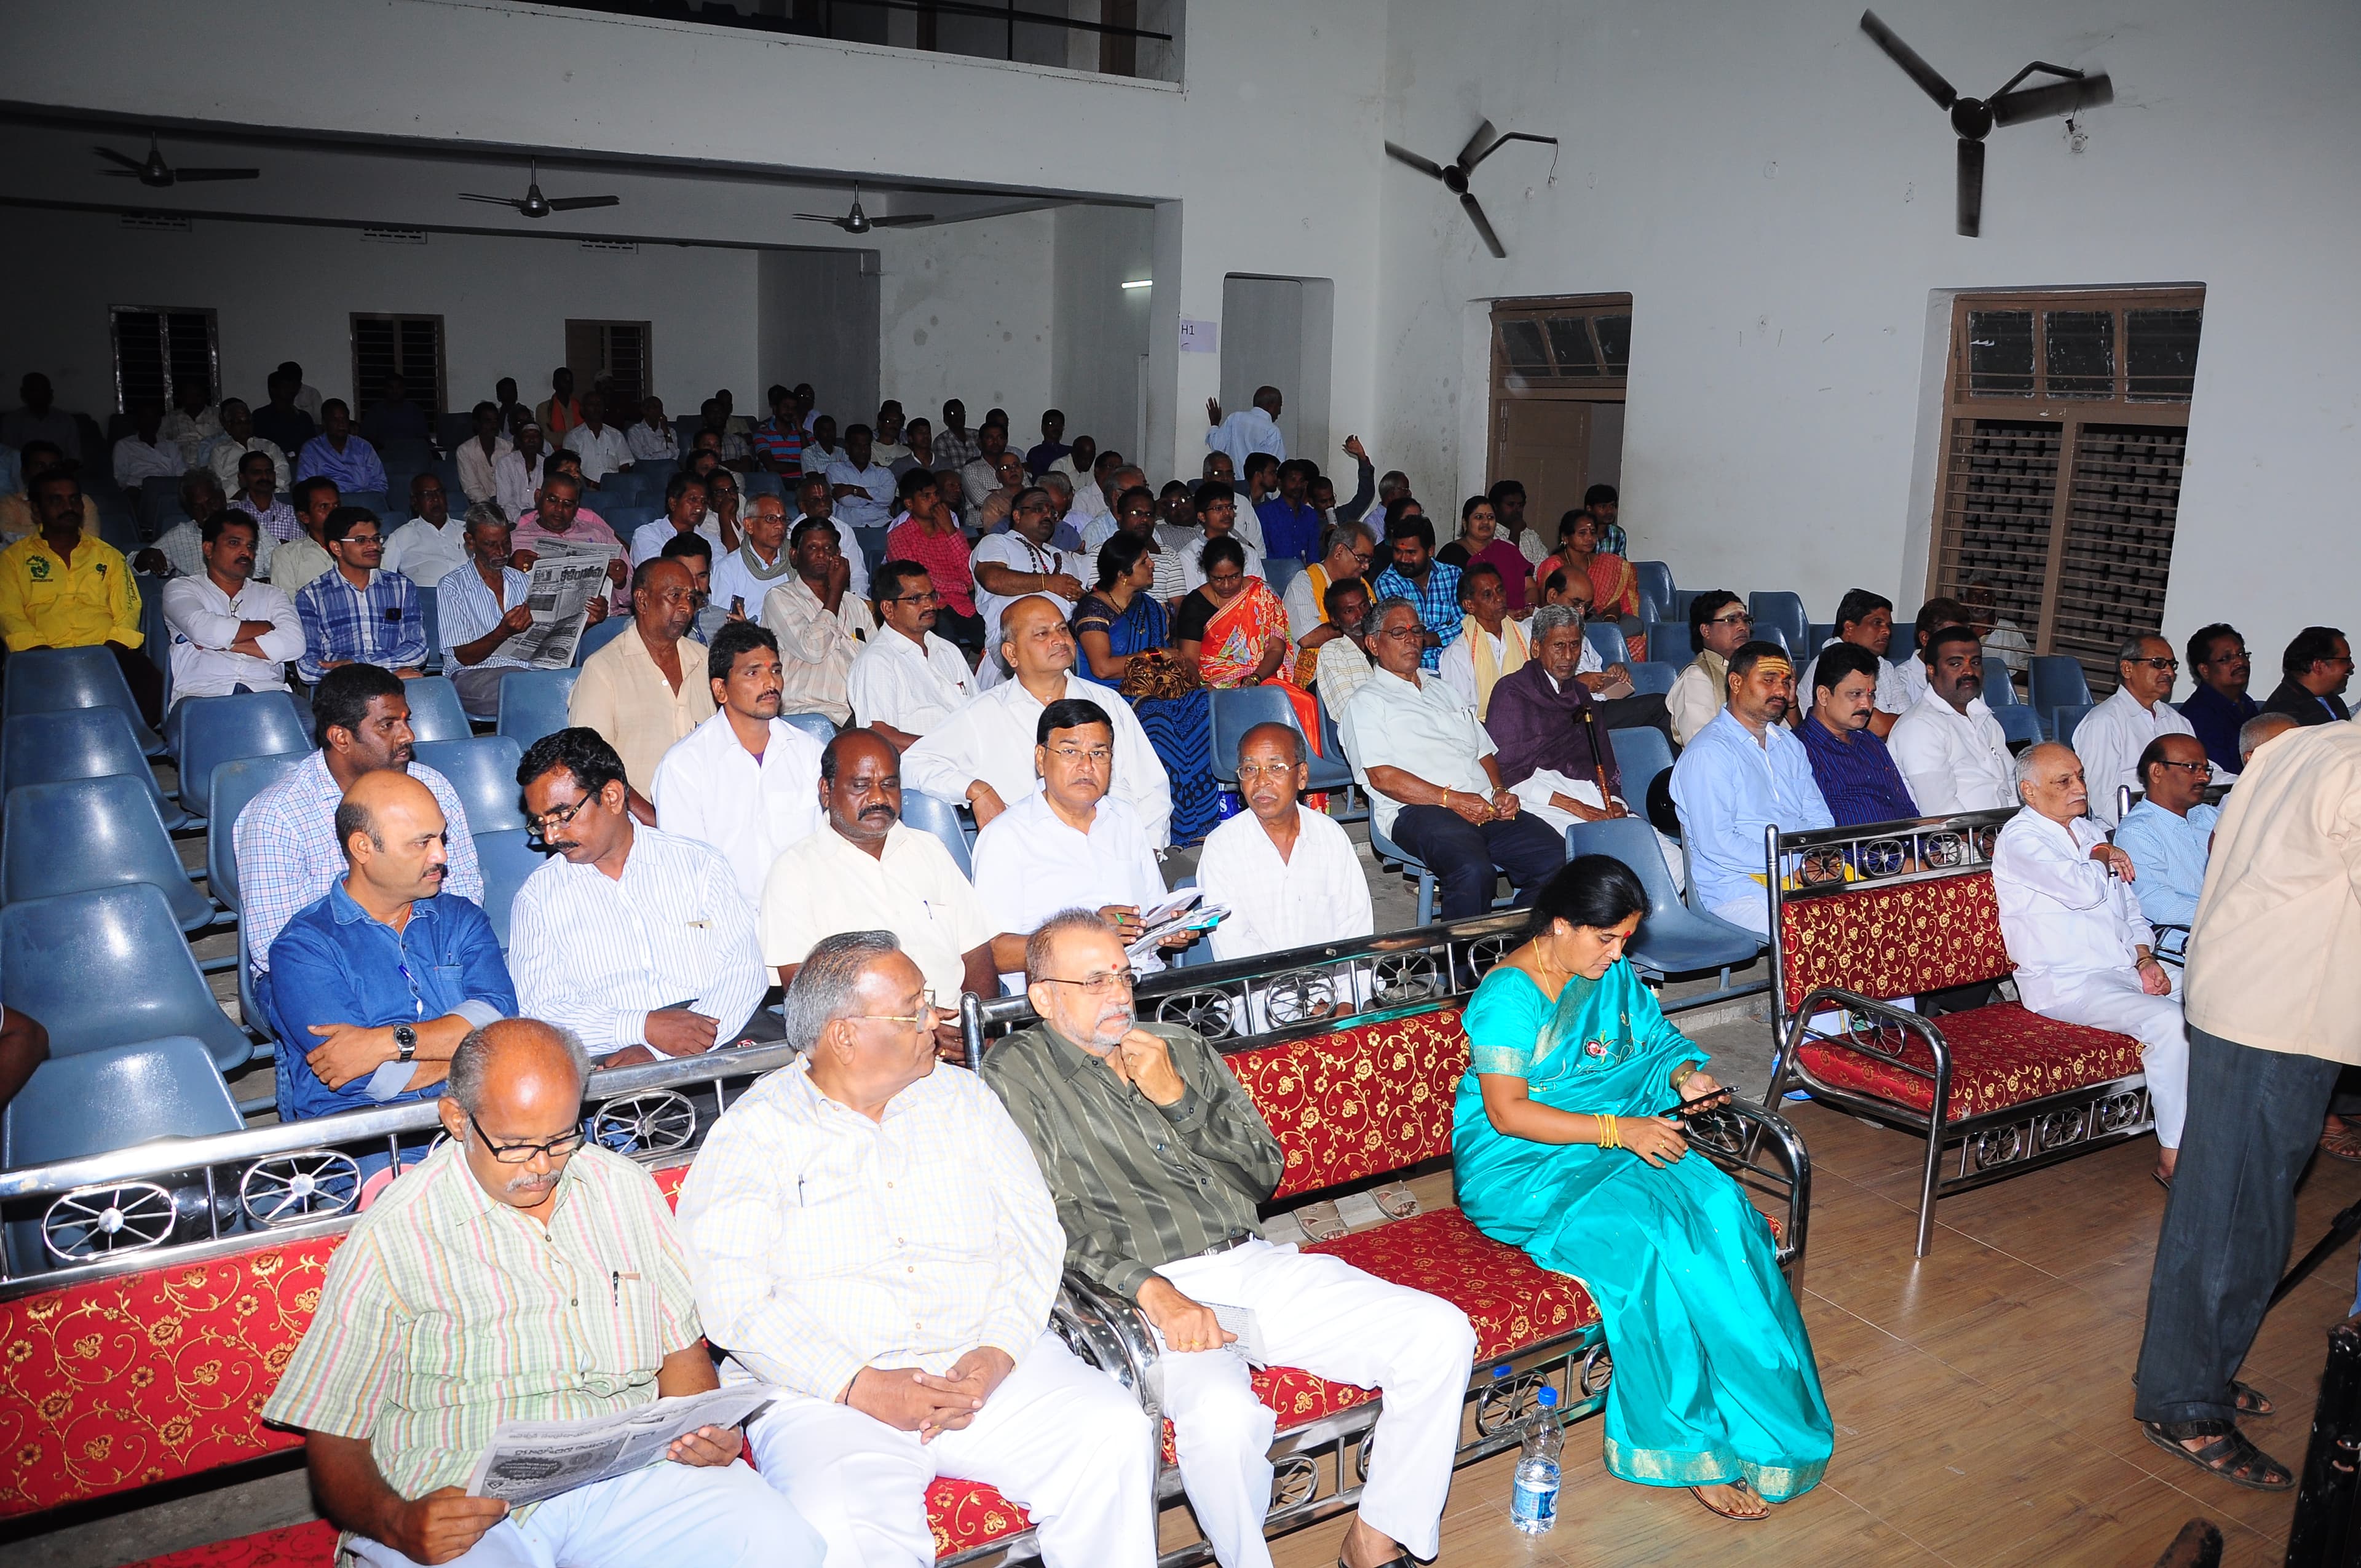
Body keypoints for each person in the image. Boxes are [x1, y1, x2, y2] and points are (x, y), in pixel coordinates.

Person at [984, 909, 1477, 1568]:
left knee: (1439, 1334)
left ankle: (1377, 1535)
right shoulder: (1017, 1073)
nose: (1120, 995)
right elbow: (1044, 1219)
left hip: (1250, 1266)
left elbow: (1263, 1172)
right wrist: (1149, 1289)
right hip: (1140, 1295)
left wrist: (1177, 1098)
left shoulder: (1178, 1047)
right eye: (1095, 981)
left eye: (1125, 977)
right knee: (1223, 1422)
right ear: (1044, 998)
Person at [262, 1016, 821, 1568]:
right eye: (515, 1145)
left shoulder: (620, 1188)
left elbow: (680, 1351)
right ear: (457, 1119)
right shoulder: (396, 1230)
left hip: (628, 1475)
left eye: (560, 1139)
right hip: (462, 1499)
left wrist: (702, 1430)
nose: (541, 1167)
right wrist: (396, 1523)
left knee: (778, 1543)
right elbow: (333, 1431)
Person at [676, 932, 1150, 1568]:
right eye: (914, 1010)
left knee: (1111, 1434)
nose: (935, 1021)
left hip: (983, 1368)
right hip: (829, 1398)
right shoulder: (754, 1133)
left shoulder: (965, 1100)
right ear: (846, 1037)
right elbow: (731, 1299)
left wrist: (998, 1351)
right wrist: (858, 1385)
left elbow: (1034, 1237)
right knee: (839, 1525)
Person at [1456, 857, 1831, 1518]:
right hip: (1525, 1168)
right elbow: (1508, 1114)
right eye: (1606, 938)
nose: (1617, 953)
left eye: (1625, 938)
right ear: (1561, 924)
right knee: (1648, 1251)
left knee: (1722, 1211)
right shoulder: (1509, 998)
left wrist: (1685, 1076)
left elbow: (1654, 1041)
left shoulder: (1607, 972)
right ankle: (1689, 1447)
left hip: (1616, 1139)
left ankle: (1758, 1425)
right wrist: (1619, 1130)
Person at [2132, 723, 2361, 1490]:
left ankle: (2195, 1370)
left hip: (2243, 995)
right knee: (2231, 1218)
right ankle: (2182, 1402)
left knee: (2245, 1214)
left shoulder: (2304, 742)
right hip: (2278, 1015)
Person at [263, 772, 515, 1125]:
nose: (441, 855)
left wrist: (387, 1043)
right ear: (363, 848)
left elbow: (502, 1023)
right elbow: (362, 1074)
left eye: (441, 837)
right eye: (422, 843)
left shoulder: (462, 919)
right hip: (371, 1135)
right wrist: (477, 1053)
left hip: (477, 1121)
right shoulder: (303, 948)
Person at [510, 728, 769, 1063]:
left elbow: (744, 970)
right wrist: (640, 1028)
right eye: (540, 822)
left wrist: (674, 1046)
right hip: (615, 1055)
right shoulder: (537, 899)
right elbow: (541, 1011)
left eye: (562, 816)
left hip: (723, 1039)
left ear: (612, 797)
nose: (550, 836)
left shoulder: (699, 864)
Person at [1994, 743, 2188, 1185]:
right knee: (2169, 1022)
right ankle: (2174, 1155)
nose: (2079, 787)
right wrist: (2102, 853)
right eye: (2064, 781)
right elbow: (2084, 890)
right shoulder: (2021, 838)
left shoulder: (2087, 830)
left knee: (2220, 997)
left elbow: (2130, 908)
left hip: (2122, 970)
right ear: (2029, 791)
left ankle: (2224, 1130)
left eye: (2080, 776)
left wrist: (2145, 958)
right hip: (2067, 983)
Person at [236, 664, 484, 976]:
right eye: (387, 725)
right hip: (325, 973)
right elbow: (275, 945)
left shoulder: (431, 788)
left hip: (427, 955)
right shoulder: (278, 816)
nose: (408, 735)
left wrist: (420, 954)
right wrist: (386, 957)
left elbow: (464, 889)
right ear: (341, 738)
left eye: (406, 721)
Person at [1342, 598, 1564, 918]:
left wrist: (1500, 791)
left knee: (1557, 858)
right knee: (1472, 871)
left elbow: (1484, 751)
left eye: (1417, 631)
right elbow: (1382, 777)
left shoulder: (1443, 690)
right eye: (1399, 632)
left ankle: (1516, 943)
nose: (1412, 640)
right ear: (1374, 644)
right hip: (1420, 810)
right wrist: (1452, 800)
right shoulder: (1366, 703)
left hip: (1481, 803)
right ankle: (1464, 952)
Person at [906, 595, 1171, 844]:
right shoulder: (984, 713)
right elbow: (912, 764)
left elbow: (1151, 786)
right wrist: (975, 790)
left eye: (1063, 629)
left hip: (1115, 847)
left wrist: (1149, 849)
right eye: (1043, 634)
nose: (1059, 640)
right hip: (1032, 857)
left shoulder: (1106, 702)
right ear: (1012, 654)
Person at [757, 735, 995, 1003]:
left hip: (959, 1023)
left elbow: (977, 952)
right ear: (826, 791)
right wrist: (911, 1023)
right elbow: (805, 993)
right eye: (861, 786)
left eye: (889, 784)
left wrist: (977, 1021)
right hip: (866, 1029)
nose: (879, 797)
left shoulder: (930, 849)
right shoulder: (794, 872)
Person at [970, 699, 1171, 988]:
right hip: (1063, 996)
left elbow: (1153, 910)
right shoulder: (1006, 836)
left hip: (1146, 984)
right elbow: (993, 953)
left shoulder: (1125, 818)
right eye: (1070, 752)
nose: (1086, 766)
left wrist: (1169, 927)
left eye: (1099, 754)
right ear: (1041, 758)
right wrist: (1088, 935)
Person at [651, 620, 826, 905]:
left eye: (775, 671)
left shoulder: (810, 753)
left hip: (804, 913)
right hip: (724, 918)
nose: (771, 683)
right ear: (720, 689)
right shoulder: (684, 766)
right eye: (753, 673)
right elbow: (685, 872)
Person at [1669, 640, 1833, 936]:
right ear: (1736, 683)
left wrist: (1815, 857)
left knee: (1876, 912)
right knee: (1822, 932)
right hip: (1737, 887)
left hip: (1801, 871)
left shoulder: (1789, 745)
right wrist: (1794, 863)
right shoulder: (1709, 753)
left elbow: (1819, 816)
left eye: (1786, 681)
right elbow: (1719, 843)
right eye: (1768, 680)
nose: (1781, 691)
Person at [1072, 532, 1220, 844]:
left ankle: (1204, 820)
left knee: (1202, 704)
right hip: (1112, 695)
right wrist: (1153, 655)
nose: (1152, 565)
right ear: (1123, 574)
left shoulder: (1151, 608)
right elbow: (1102, 667)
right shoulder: (1094, 609)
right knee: (1158, 717)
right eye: (1144, 562)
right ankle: (1177, 825)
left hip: (1155, 690)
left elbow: (1169, 659)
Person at [1195, 722, 1372, 962]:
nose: (1261, 781)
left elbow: (1356, 929)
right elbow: (1234, 948)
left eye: (1276, 768)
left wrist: (1342, 986)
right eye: (1250, 769)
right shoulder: (1223, 848)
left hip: (1334, 982)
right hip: (1259, 984)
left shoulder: (1329, 836)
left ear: (1302, 776)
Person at [0, 466, 161, 726]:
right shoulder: (12, 560)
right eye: (56, 501)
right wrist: (51, 658)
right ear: (37, 510)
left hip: (108, 654)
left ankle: (122, 741)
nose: (69, 507)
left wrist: (101, 657)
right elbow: (9, 616)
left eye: (74, 499)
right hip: (40, 658)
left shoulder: (109, 556)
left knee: (150, 684)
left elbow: (129, 611)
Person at [1482, 604, 1646, 837]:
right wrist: (1578, 808)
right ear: (1536, 647)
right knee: (1598, 844)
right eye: (1559, 646)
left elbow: (1605, 761)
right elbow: (1508, 774)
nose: (1569, 656)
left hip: (1592, 796)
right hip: (1541, 804)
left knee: (1659, 849)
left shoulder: (1580, 695)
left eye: (1575, 645)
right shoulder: (1511, 692)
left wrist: (1615, 802)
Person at [569, 556, 716, 802]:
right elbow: (593, 767)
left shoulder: (705, 660)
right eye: (675, 596)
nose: (686, 608)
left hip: (706, 807)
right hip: (633, 815)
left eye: (691, 598)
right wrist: (653, 819)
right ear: (642, 600)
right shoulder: (603, 668)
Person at [160, 510, 301, 703]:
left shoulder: (272, 595)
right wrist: (266, 627)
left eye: (250, 546)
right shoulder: (181, 589)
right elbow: (203, 629)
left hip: (268, 693)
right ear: (208, 549)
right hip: (204, 695)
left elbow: (294, 644)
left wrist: (222, 644)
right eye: (234, 543)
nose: (246, 553)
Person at [2074, 635, 2212, 828]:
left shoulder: (2177, 721)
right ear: (2127, 669)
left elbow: (2200, 773)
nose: (2169, 672)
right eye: (2159, 663)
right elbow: (2101, 800)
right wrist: (2155, 829)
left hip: (2179, 824)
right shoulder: (2103, 722)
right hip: (2122, 830)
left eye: (2172, 665)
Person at [437, 505, 559, 720]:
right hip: (475, 674)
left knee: (575, 682)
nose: (502, 552)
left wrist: (584, 622)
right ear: (470, 541)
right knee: (531, 692)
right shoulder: (452, 586)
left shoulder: (525, 581)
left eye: (506, 543)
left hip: (529, 671)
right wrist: (503, 632)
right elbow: (465, 657)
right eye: (491, 544)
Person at [848, 560, 979, 748]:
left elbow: (978, 711)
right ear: (888, 609)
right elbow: (879, 735)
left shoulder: (947, 651)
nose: (930, 606)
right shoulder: (877, 661)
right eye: (916, 599)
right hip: (925, 762)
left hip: (972, 754)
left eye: (931, 596)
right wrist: (946, 748)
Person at [1887, 627, 2016, 815]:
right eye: (1956, 664)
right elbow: (1941, 813)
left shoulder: (1983, 716)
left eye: (1975, 662)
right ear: (1931, 671)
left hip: (1998, 828)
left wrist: (2016, 827)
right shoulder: (1920, 727)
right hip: (1957, 833)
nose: (1969, 671)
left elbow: (2011, 786)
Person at [2113, 734, 2219, 962]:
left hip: (2234, 929)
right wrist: (2232, 912)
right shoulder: (2138, 831)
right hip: (2187, 945)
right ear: (2157, 772)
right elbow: (2160, 906)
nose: (2204, 777)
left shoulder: (2209, 816)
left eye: (2206, 769)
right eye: (2192, 767)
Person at [761, 518, 874, 726]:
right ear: (794, 556)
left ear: (838, 555)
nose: (822, 554)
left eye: (829, 548)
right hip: (812, 712)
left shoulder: (856, 605)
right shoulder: (779, 598)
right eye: (812, 547)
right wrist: (836, 591)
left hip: (861, 711)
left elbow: (874, 661)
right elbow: (813, 650)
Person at [296, 509, 427, 684]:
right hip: (346, 688)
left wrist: (355, 664)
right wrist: (380, 675)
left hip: (394, 685)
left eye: (376, 539)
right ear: (336, 548)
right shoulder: (311, 596)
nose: (374, 546)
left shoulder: (401, 587)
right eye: (361, 540)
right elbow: (307, 667)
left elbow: (418, 649)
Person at [1797, 641, 1920, 826]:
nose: (1867, 705)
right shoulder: (1800, 749)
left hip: (1905, 843)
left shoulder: (1870, 741)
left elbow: (1907, 809)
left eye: (1871, 695)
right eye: (1856, 694)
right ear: (1823, 695)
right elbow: (1818, 829)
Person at [971, 488, 1085, 663]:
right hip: (1014, 641)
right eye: (1039, 509)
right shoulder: (996, 542)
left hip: (1065, 638)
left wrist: (1081, 596)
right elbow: (993, 580)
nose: (1048, 515)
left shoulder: (1062, 556)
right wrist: (1047, 583)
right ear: (1017, 515)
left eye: (1052, 512)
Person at [510, 467, 630, 614]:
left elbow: (629, 598)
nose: (559, 509)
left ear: (576, 506)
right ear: (538, 497)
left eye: (568, 504)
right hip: (538, 620)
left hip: (607, 619)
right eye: (552, 500)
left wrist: (621, 582)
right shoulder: (515, 541)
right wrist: (509, 569)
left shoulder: (600, 534)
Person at [1796, 589, 1910, 738]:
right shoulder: (1832, 662)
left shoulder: (1884, 666)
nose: (1886, 631)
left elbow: (1910, 720)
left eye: (1888, 626)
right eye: (1877, 623)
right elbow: (1877, 727)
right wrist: (1896, 724)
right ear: (1849, 627)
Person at [1533, 508, 1642, 657]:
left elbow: (1613, 603)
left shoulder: (1606, 563)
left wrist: (1610, 621)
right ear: (1565, 538)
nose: (1589, 538)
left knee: (1636, 626)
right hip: (1566, 622)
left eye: (1593, 533)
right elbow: (1545, 606)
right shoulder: (1554, 565)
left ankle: (1604, 637)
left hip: (1599, 620)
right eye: (1582, 533)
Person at [1282, 521, 1374, 685]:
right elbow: (1309, 637)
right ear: (1339, 551)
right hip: (1317, 679)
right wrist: (1355, 627)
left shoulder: (1362, 585)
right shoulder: (1304, 583)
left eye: (1369, 561)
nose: (1366, 567)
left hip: (1360, 670)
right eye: (1361, 559)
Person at [1370, 511, 1461, 673]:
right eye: (1398, 551)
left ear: (1430, 551)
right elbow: (1405, 636)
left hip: (1457, 667)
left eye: (1411, 553)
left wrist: (1433, 637)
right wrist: (1445, 628)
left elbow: (1467, 625)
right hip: (1415, 672)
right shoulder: (1387, 582)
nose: (1403, 559)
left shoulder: (1453, 575)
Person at [1434, 561, 1524, 719]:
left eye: (1500, 590)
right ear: (1469, 605)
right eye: (1488, 595)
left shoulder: (1525, 634)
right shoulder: (1458, 654)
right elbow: (1459, 714)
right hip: (1483, 731)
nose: (1499, 599)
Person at [1667, 590, 1752, 746]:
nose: (1743, 627)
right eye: (1731, 620)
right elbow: (1703, 745)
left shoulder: (1754, 671)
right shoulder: (1696, 677)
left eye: (1746, 620)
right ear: (1706, 631)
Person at [2181, 624, 2258, 775]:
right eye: (2227, 658)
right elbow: (2220, 774)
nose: (2240, 662)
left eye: (2242, 654)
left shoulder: (2248, 705)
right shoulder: (2198, 716)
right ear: (2205, 670)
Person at [1436, 494, 1531, 615]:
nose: (1486, 522)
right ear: (1465, 523)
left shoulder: (1507, 549)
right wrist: (1505, 614)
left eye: (1491, 517)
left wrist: (1529, 608)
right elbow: (1452, 601)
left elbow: (1530, 587)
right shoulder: (1451, 553)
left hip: (1521, 619)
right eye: (1479, 517)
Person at [707, 492, 793, 624]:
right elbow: (720, 622)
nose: (780, 526)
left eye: (783, 519)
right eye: (771, 519)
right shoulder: (727, 570)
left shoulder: (795, 559)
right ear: (749, 525)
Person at [136, 468, 234, 581]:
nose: (207, 511)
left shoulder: (246, 530)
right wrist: (146, 557)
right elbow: (132, 567)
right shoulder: (180, 536)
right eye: (197, 508)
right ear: (189, 511)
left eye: (212, 503)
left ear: (222, 498)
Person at [0, 440, 100, 545]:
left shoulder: (81, 502)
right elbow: (6, 536)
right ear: (24, 471)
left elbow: (91, 544)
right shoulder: (9, 504)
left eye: (54, 466)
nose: (47, 471)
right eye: (40, 466)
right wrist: (63, 530)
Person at [1176, 480, 1267, 593]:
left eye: (1230, 507)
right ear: (1202, 516)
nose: (1227, 513)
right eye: (1218, 509)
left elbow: (1261, 593)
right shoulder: (1188, 556)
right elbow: (1195, 597)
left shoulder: (1249, 553)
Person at [381, 473, 468, 590]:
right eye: (427, 494)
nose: (435, 498)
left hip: (472, 595)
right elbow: (382, 576)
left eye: (439, 492)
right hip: (427, 598)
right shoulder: (401, 536)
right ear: (415, 502)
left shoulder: (467, 530)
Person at [265, 476, 341, 598]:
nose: (334, 512)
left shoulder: (357, 546)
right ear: (304, 517)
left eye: (337, 506)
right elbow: (286, 603)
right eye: (324, 507)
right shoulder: (287, 555)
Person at [2260, 625, 2353, 725]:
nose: (2352, 665)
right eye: (2346, 660)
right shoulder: (2283, 710)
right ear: (2318, 666)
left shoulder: (2333, 700)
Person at [295, 400, 388, 495]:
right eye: (335, 419)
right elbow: (305, 487)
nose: (341, 423)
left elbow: (380, 484)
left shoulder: (364, 447)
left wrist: (362, 498)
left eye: (345, 419)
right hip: (328, 501)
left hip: (362, 500)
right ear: (324, 423)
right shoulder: (312, 449)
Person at [204, 397, 290, 497]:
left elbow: (283, 473)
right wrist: (246, 496)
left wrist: (264, 492)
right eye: (239, 422)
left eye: (248, 421)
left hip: (272, 496)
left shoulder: (270, 446)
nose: (245, 426)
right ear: (228, 425)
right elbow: (217, 480)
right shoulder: (219, 451)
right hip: (236, 501)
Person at [1314, 578, 1377, 710]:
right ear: (1335, 620)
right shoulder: (1333, 652)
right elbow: (1349, 710)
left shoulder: (1387, 644)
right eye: (1349, 611)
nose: (1360, 616)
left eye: (1364, 606)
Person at [1252, 456, 1321, 563]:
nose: (1298, 485)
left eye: (1301, 481)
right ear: (1280, 483)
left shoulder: (1310, 515)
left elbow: (1313, 554)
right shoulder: (1264, 513)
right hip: (1273, 571)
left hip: (1305, 572)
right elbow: (1262, 553)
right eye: (1293, 480)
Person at [1204, 384, 1287, 472]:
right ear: (1271, 405)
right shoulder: (1272, 431)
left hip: (1231, 480)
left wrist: (1214, 424)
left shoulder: (1235, 418)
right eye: (1279, 406)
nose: (1280, 412)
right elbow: (1276, 467)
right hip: (1256, 481)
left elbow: (1217, 447)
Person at [561, 389, 633, 488]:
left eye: (599, 404)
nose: (596, 407)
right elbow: (570, 470)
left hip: (614, 488)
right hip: (586, 489)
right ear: (583, 409)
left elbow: (625, 465)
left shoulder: (616, 435)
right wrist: (594, 485)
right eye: (591, 404)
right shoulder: (573, 437)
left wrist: (617, 483)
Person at [1, 371, 80, 461]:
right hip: (23, 469)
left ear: (50, 394)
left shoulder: (67, 421)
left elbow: (74, 458)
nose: (39, 396)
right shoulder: (11, 421)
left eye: (43, 391)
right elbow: (7, 458)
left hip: (58, 468)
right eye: (34, 391)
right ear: (24, 393)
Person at [249, 368, 317, 460]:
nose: (291, 390)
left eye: (292, 386)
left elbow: (313, 447)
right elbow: (259, 446)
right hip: (273, 463)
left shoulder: (304, 417)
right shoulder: (261, 416)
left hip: (303, 463)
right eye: (285, 386)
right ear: (273, 389)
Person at [113, 400, 183, 489]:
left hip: (168, 488)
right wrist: (143, 484)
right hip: (141, 489)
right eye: (145, 418)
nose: (150, 422)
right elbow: (120, 478)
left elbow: (182, 473)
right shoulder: (124, 446)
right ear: (137, 421)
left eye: (154, 418)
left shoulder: (171, 446)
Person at [453, 402, 510, 506]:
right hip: (481, 506)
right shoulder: (465, 451)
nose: (493, 426)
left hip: (508, 505)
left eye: (496, 421)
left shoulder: (508, 448)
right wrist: (490, 506)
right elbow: (471, 488)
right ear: (477, 424)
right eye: (488, 421)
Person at [494, 420, 552, 524]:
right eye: (527, 436)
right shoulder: (506, 463)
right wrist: (525, 520)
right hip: (512, 522)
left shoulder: (547, 465)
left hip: (540, 520)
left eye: (536, 436)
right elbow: (505, 503)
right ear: (519, 440)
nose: (532, 440)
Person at [957, 422, 1012, 515]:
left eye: (1000, 438)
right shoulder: (970, 470)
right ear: (980, 442)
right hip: (981, 522)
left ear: (1006, 441)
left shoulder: (1015, 467)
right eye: (990, 438)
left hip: (1014, 521)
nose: (995, 442)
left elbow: (1030, 496)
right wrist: (1014, 494)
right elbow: (980, 500)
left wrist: (995, 494)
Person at [932, 397, 979, 478]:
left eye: (961, 413)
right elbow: (944, 473)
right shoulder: (941, 442)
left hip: (980, 480)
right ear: (946, 419)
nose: (959, 416)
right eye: (953, 413)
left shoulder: (976, 435)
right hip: (957, 483)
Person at [536, 367, 583, 444]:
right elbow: (548, 438)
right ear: (554, 384)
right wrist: (574, 437)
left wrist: (562, 435)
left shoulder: (580, 407)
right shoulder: (544, 408)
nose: (568, 385)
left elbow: (585, 435)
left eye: (570, 382)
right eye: (564, 381)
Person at [627, 393, 676, 465]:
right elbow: (641, 457)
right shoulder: (635, 431)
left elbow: (675, 454)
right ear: (644, 411)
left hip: (667, 466)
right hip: (646, 467)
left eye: (660, 408)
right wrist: (667, 454)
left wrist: (665, 430)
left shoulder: (670, 431)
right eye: (654, 407)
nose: (658, 411)